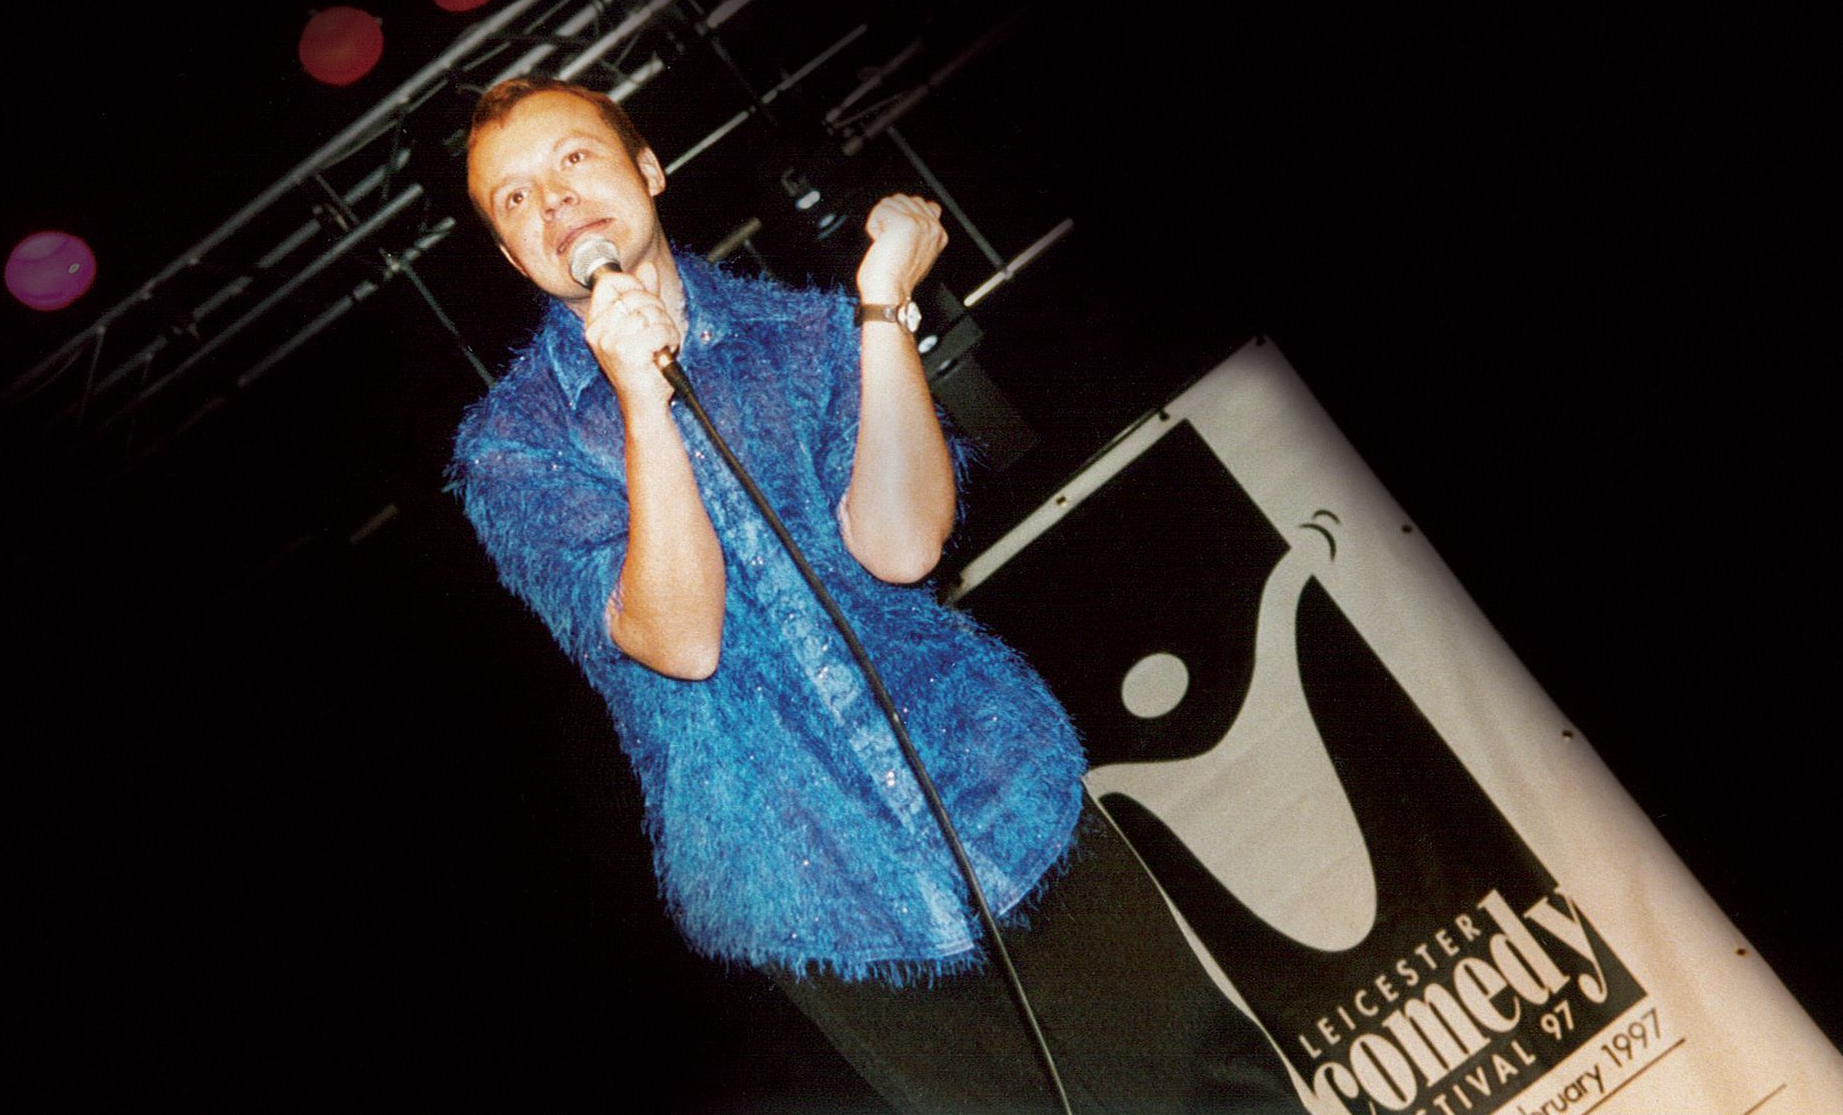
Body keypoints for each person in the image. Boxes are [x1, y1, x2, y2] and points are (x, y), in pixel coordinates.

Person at [449, 76, 1301, 1112]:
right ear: (510, 257)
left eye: (574, 160)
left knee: (1208, 1092)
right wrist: (639, 396)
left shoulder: (813, 339)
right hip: (813, 880)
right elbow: (679, 639)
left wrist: (880, 307)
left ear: (648, 169)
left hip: (991, 786)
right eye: (516, 200)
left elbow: (902, 546)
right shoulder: (517, 445)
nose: (555, 203)